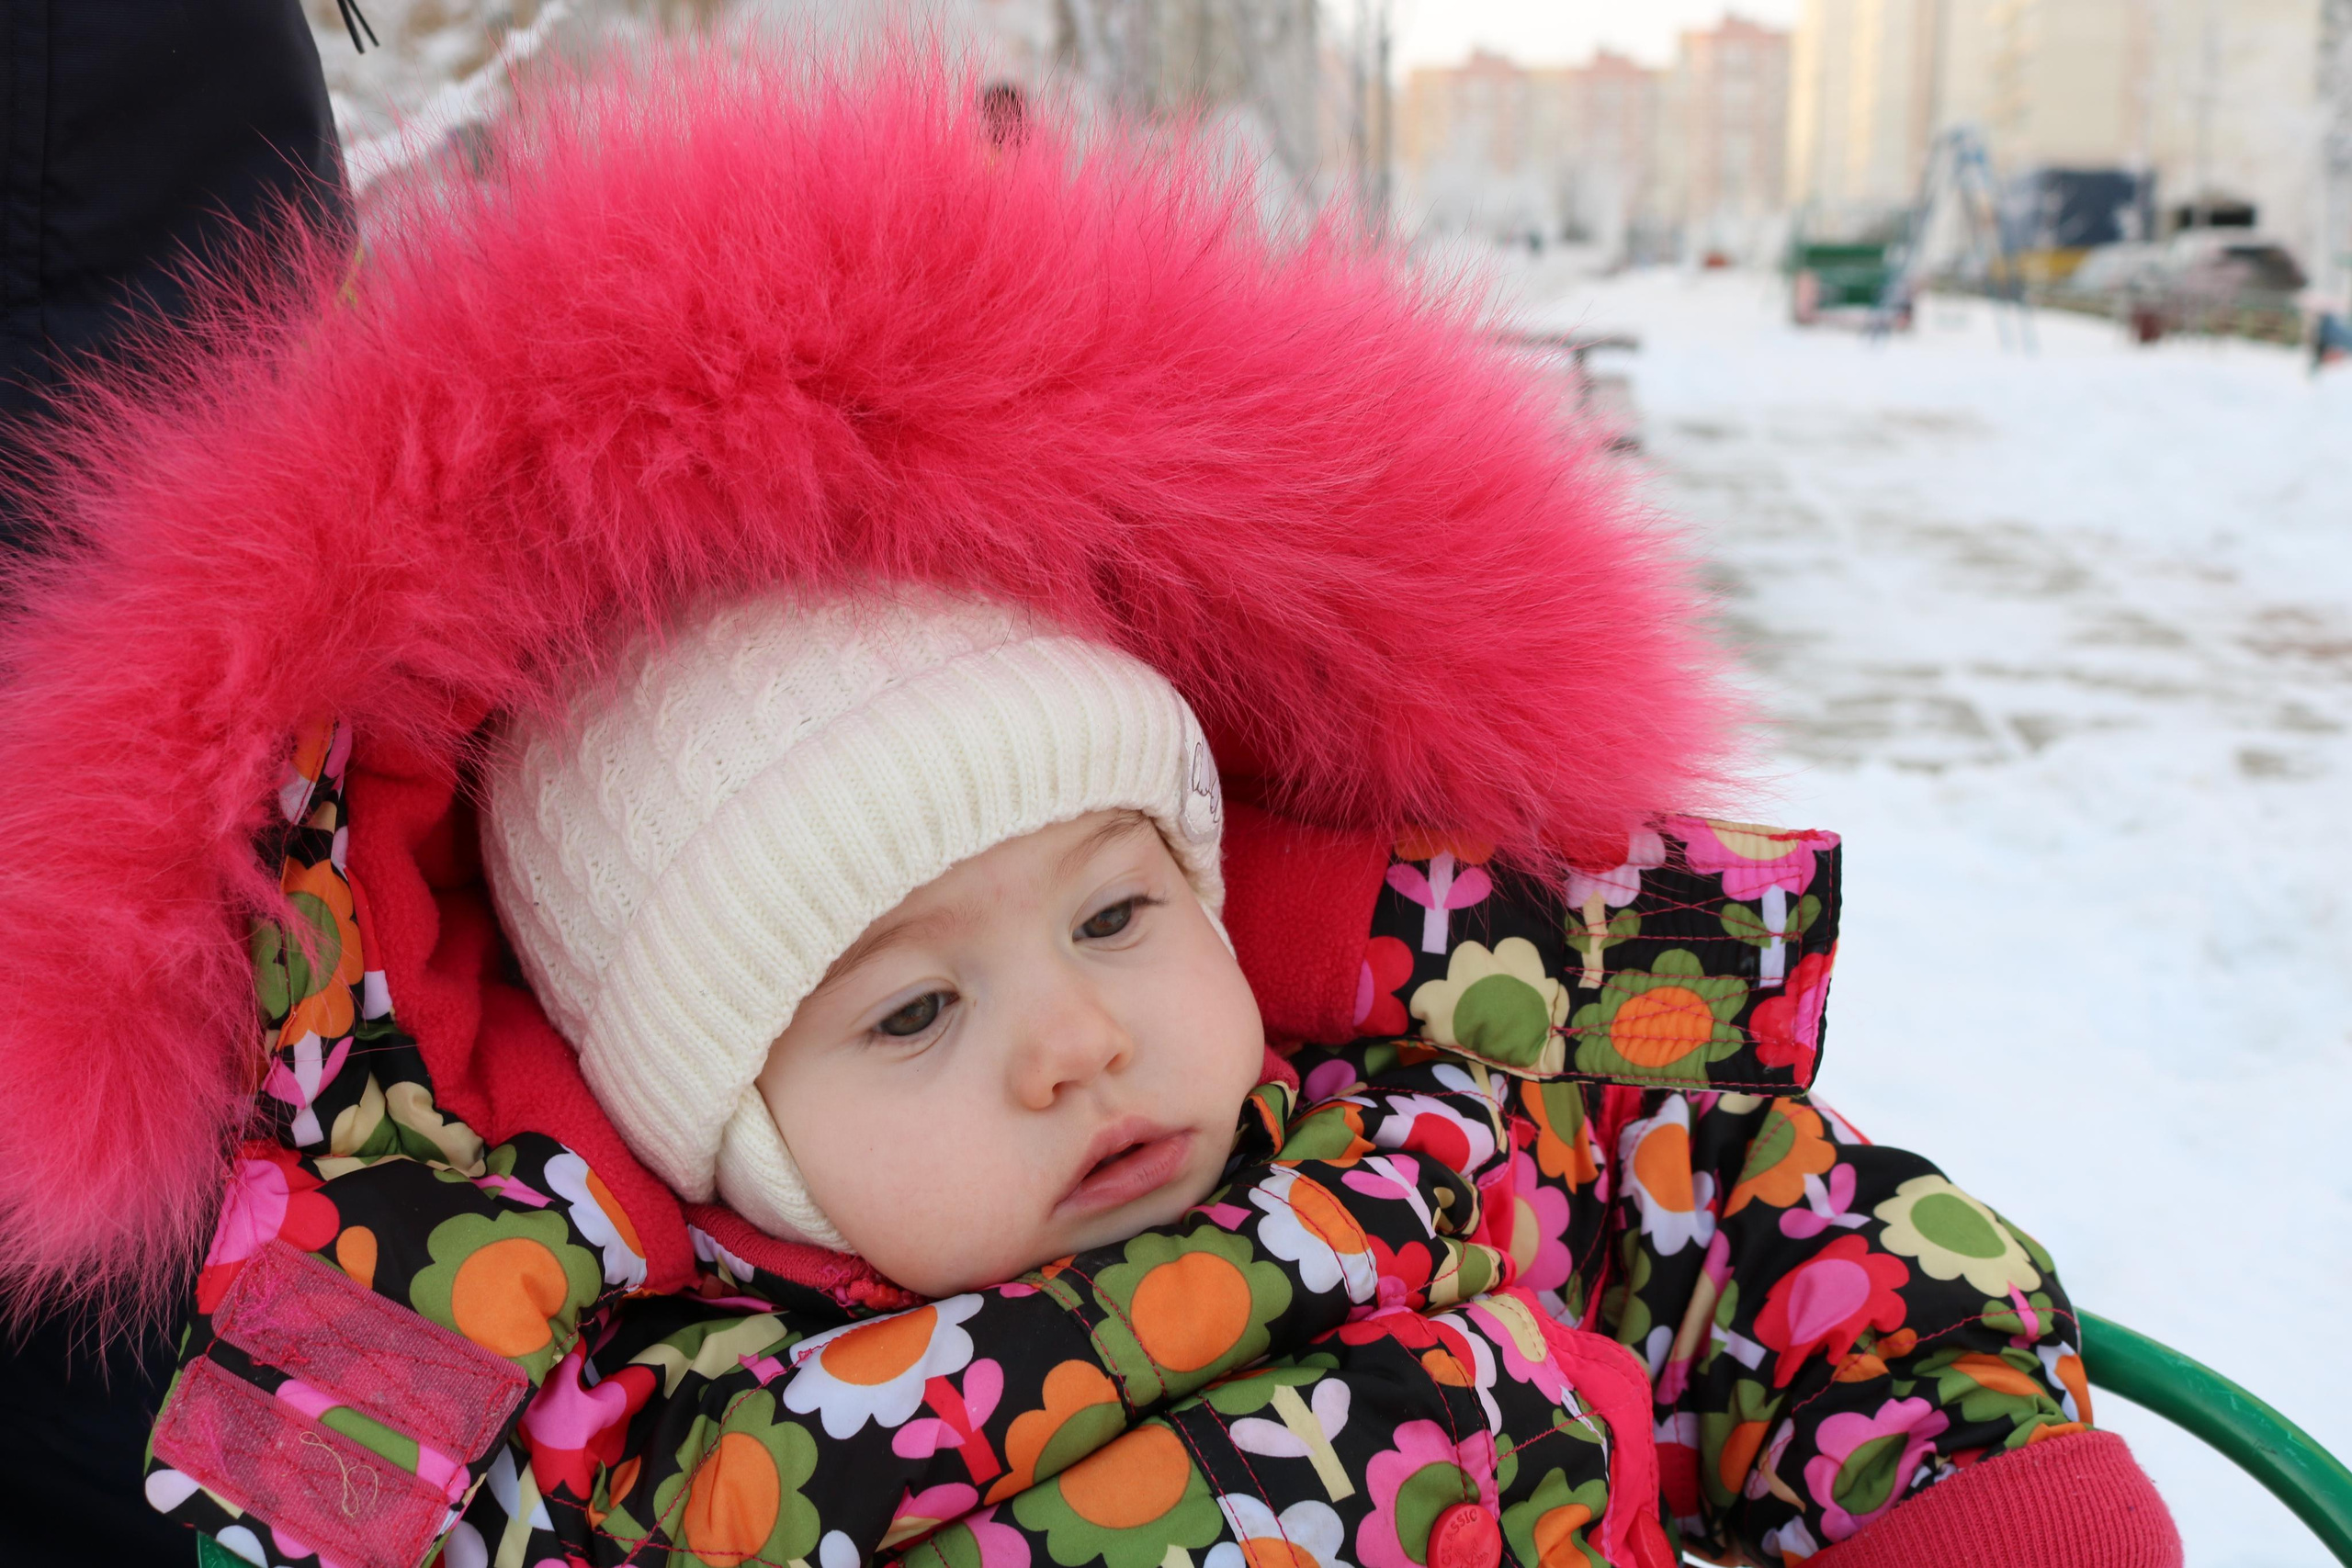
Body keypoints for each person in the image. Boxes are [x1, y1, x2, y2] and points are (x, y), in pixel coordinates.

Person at [0, 48, 2179, 1568]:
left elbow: (1780, 1235)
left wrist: (1962, 1489)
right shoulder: (617, 1439)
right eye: (908, 1015)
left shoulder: (1435, 1139)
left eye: (1120, 914)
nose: (1072, 1033)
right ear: (710, 1130)